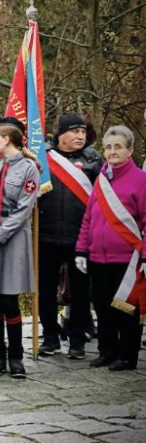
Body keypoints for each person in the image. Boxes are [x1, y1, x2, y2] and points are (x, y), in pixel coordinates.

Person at [76, 125, 146, 371]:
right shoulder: (102, 179)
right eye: (108, 147)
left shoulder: (141, 180)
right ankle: (107, 351)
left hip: (127, 260)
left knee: (125, 310)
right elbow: (89, 218)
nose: (112, 151)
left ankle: (127, 356)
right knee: (103, 308)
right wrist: (81, 250)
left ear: (130, 150)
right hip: (98, 257)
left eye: (118, 147)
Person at [0, 123, 41, 379]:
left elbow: (23, 211)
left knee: (9, 299)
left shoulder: (28, 169)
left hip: (11, 239)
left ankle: (16, 356)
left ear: (8, 139)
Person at [38, 113, 102, 359]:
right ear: (61, 134)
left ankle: (77, 339)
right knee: (46, 290)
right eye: (75, 131)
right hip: (46, 235)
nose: (80, 136)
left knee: (81, 291)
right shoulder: (43, 157)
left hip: (80, 238)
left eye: (83, 132)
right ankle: (50, 337)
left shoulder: (93, 160)